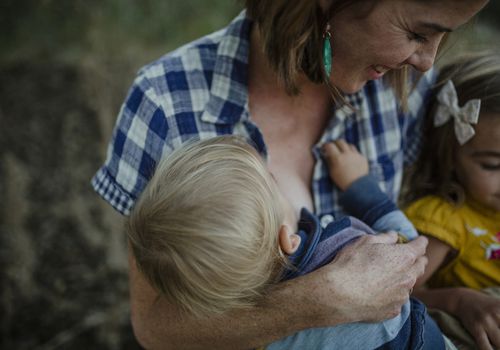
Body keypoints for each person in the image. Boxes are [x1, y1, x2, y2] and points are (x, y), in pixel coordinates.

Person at [91, 0, 488, 348]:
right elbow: (155, 326)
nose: (426, 61)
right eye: (417, 32)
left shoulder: (405, 85)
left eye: (441, 36)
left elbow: (406, 273)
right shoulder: (165, 103)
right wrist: (317, 301)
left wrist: (455, 301)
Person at [127, 135, 442, 349]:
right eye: (273, 181)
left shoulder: (248, 334)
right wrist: (362, 189)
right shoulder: (342, 247)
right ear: (287, 238)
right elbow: (410, 257)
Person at [403, 51, 500, 350]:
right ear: (450, 156)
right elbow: (398, 294)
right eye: (492, 166)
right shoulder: (445, 218)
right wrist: (457, 300)